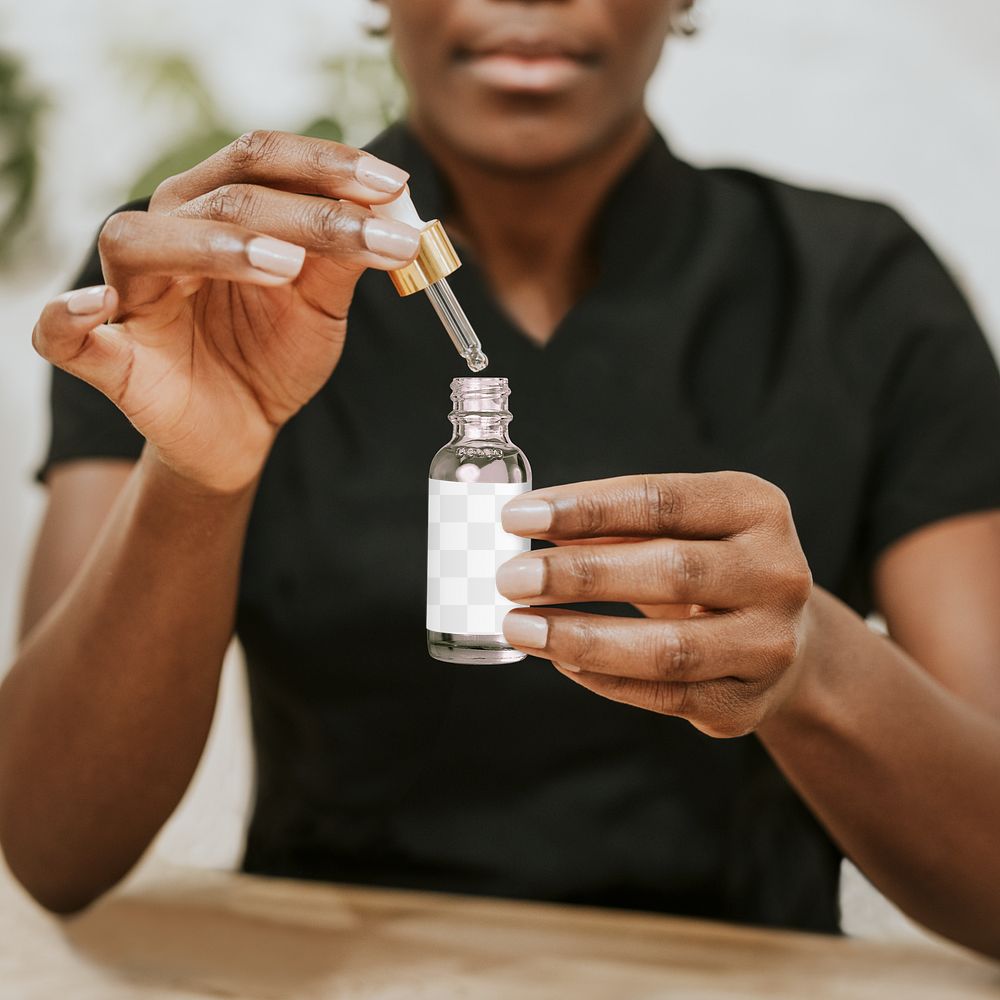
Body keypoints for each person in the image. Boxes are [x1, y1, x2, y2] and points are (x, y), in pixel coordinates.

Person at [2, 0, 1000, 957]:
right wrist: (194, 474)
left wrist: (811, 663)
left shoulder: (860, 291)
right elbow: (51, 842)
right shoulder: (208, 285)